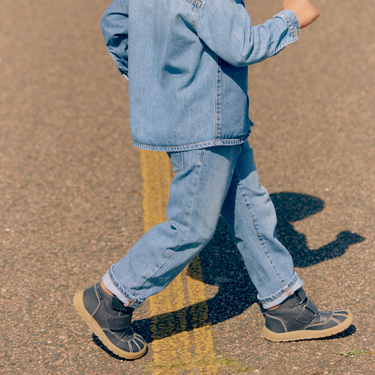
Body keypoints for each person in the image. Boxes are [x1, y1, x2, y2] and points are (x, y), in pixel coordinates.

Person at [74, 0, 352, 360]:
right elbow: (241, 46)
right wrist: (292, 19)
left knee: (249, 205)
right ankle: (111, 297)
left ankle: (285, 303)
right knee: (190, 226)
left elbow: (114, 21)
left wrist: (153, 80)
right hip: (208, 121)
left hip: (198, 116)